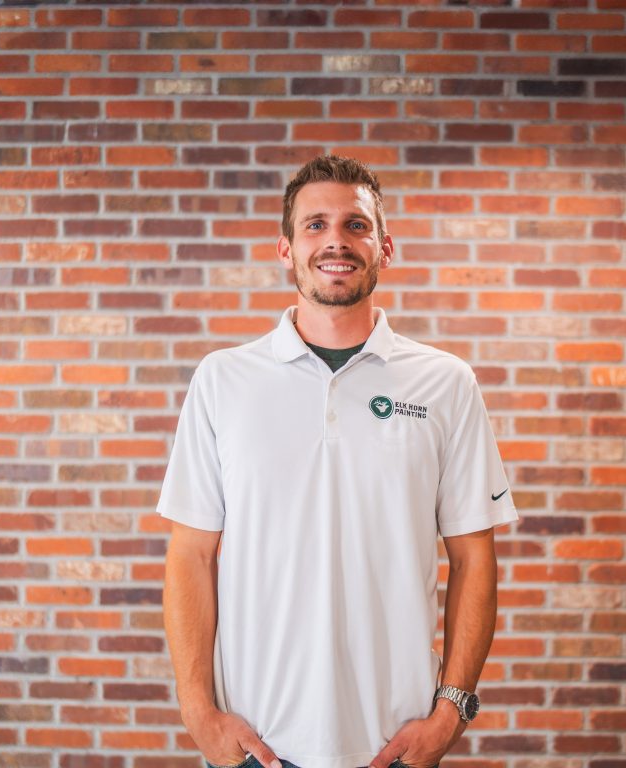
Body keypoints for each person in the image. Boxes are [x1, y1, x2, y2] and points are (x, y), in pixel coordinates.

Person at [157, 155, 517, 768]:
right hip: (256, 745)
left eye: (356, 225)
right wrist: (198, 712)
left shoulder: (446, 383)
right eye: (315, 225)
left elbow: (473, 556)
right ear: (286, 249)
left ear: (385, 247)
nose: (336, 241)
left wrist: (450, 712)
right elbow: (190, 554)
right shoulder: (223, 380)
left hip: (393, 743)